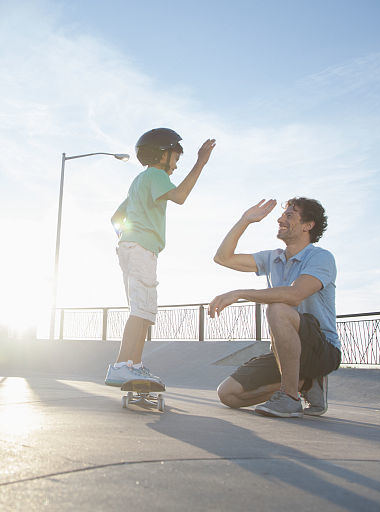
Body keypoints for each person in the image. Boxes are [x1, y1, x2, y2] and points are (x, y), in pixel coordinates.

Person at [209, 198, 341, 418]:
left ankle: (289, 398)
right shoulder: (273, 258)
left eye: (289, 215)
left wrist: (240, 293)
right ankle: (305, 383)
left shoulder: (320, 257)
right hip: (284, 353)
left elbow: (295, 294)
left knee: (278, 307)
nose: (280, 219)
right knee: (228, 395)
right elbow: (223, 258)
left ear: (308, 225)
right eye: (282, 215)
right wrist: (245, 221)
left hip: (321, 349)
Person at [105, 128, 216, 388]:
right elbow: (180, 196)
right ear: (163, 154)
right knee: (140, 309)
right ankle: (122, 366)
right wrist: (201, 163)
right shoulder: (155, 175)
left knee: (144, 311)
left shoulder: (139, 181)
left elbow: (115, 219)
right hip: (141, 249)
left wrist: (128, 240)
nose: (177, 166)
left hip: (133, 248)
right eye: (176, 158)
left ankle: (133, 366)